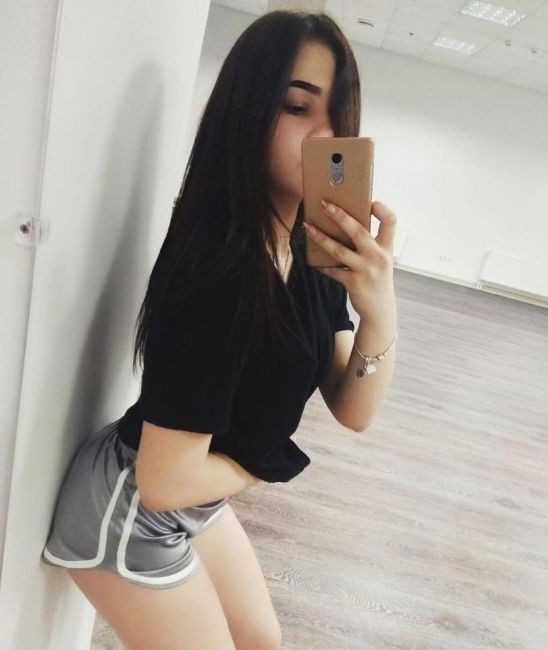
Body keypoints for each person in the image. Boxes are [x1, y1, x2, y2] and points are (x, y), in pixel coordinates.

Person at [41, 9, 397, 650]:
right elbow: (165, 482)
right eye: (297, 107)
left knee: (262, 642)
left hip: (193, 499)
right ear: (247, 111)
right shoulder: (221, 268)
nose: (325, 134)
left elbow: (354, 408)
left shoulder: (309, 249)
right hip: (130, 512)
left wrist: (380, 308)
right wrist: (265, 461)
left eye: (339, 114)